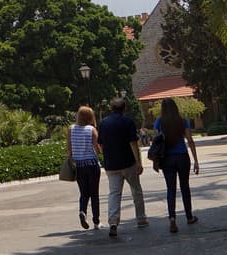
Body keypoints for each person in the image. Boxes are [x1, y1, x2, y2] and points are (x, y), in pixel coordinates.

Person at [96, 97, 148, 238]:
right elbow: (133, 143)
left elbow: (100, 144)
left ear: (111, 108)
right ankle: (141, 218)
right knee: (136, 190)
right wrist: (139, 162)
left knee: (114, 193)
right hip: (128, 162)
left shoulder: (104, 123)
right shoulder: (128, 122)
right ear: (124, 108)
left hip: (111, 164)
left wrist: (107, 154)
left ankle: (113, 222)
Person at [154, 97, 200, 232]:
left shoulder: (159, 122)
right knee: (185, 186)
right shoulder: (183, 121)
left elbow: (156, 140)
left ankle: (172, 218)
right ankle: (189, 216)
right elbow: (190, 140)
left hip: (167, 158)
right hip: (182, 156)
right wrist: (196, 160)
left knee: (171, 188)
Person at [66, 106, 101, 230]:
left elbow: (69, 149)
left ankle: (82, 211)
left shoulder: (71, 129)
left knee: (84, 193)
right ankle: (96, 221)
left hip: (79, 165)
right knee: (94, 194)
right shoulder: (91, 129)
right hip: (91, 164)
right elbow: (97, 148)